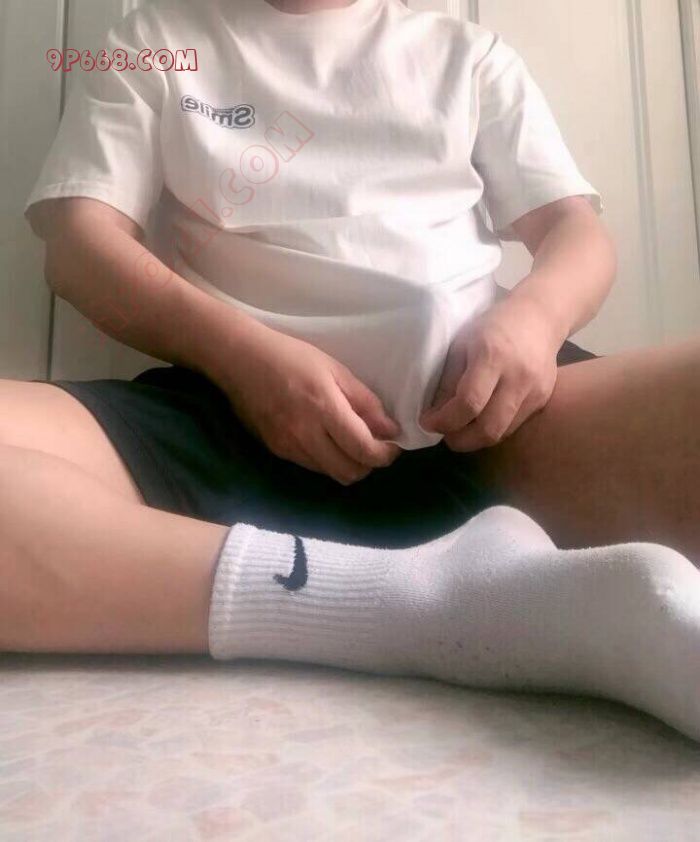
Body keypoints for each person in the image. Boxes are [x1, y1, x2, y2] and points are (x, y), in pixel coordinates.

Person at [3, 0, 699, 742]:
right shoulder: (150, 42)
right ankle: (416, 605)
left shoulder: (466, 54)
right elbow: (79, 244)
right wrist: (245, 361)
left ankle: (438, 585)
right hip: (223, 421)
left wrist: (534, 320)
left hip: (492, 419)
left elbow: (576, 232)